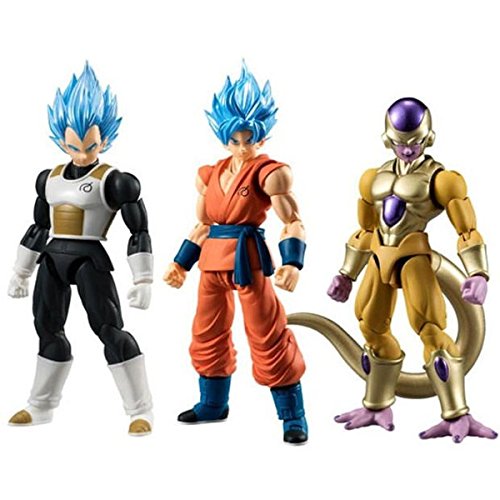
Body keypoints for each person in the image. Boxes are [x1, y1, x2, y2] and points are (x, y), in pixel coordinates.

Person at [327, 97, 496, 442]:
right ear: (387, 138)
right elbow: (365, 230)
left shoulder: (441, 180)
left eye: (415, 142)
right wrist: (346, 273)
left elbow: (466, 229)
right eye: (400, 142)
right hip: (378, 256)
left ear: (428, 137)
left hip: (414, 256)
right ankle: (377, 404)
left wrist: (478, 273)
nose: (407, 149)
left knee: (430, 329)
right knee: (370, 326)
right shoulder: (372, 179)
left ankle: (457, 414)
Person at [164, 63, 308, 444]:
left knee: (267, 333)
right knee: (207, 332)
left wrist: (293, 262)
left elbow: (292, 221)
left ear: (262, 135)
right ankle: (212, 404)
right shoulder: (210, 175)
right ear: (224, 138)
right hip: (212, 260)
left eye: (250, 139)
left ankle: (293, 416)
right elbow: (202, 225)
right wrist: (181, 263)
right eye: (235, 140)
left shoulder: (269, 173)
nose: (243, 147)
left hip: (248, 261)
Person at [8, 63, 153, 435]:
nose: (83, 154)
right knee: (47, 329)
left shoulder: (115, 181)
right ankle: (40, 405)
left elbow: (138, 230)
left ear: (104, 139)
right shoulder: (49, 179)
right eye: (73, 146)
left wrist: (143, 279)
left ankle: (140, 410)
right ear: (61, 140)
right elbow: (38, 226)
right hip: (52, 258)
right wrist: (21, 271)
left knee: (109, 330)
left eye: (91, 146)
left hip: (90, 258)